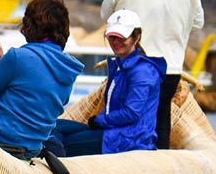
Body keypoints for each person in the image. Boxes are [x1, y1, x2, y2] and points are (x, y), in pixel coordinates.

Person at [101, 0, 204, 149]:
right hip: (170, 69)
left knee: (123, 121)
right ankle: (160, 170)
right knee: (160, 123)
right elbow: (197, 24)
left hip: (132, 66)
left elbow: (107, 17)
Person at [0, 0, 84, 160]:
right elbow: (50, 95)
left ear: (28, 25)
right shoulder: (68, 67)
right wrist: (2, 61)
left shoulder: (18, 56)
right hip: (31, 149)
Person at [50, 9, 165, 156]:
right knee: (52, 127)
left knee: (64, 142)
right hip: (110, 130)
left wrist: (99, 120)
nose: (115, 42)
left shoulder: (142, 71)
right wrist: (100, 122)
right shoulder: (121, 66)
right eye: (111, 37)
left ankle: (59, 168)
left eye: (121, 38)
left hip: (129, 139)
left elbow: (131, 113)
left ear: (137, 37)